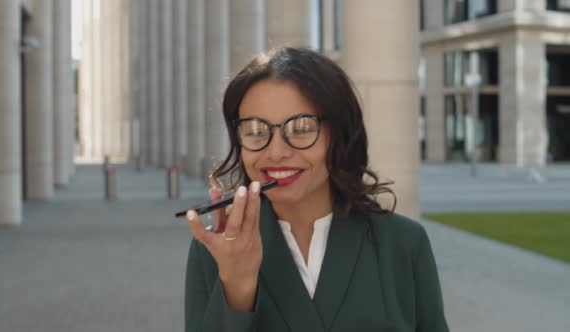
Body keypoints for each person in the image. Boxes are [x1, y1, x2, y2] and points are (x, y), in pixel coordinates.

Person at [184, 47, 449, 332]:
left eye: (300, 128)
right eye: (257, 131)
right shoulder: (217, 251)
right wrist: (237, 290)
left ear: (339, 133)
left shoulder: (404, 243)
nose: (276, 152)